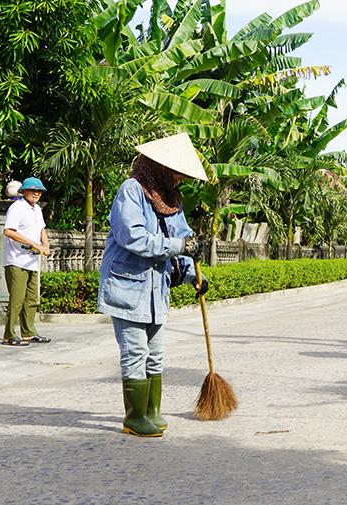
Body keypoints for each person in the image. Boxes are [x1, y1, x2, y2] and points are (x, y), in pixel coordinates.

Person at [98, 132, 209, 437]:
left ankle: (152, 411)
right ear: (160, 167)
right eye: (177, 173)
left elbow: (183, 238)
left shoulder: (171, 200)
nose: (180, 180)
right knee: (135, 351)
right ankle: (134, 418)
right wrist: (179, 247)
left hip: (155, 289)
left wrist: (192, 275)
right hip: (127, 287)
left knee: (156, 353)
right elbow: (133, 238)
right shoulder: (131, 191)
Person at [2, 177, 52, 346]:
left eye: (39, 191)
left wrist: (45, 245)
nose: (36, 193)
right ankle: (9, 335)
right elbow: (8, 231)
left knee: (31, 299)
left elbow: (41, 229)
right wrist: (33, 243)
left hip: (32, 260)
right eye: (32, 190)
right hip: (16, 260)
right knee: (17, 299)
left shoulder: (37, 209)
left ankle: (28, 333)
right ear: (23, 191)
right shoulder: (17, 208)